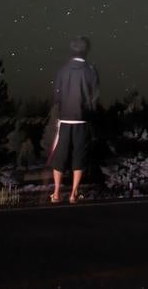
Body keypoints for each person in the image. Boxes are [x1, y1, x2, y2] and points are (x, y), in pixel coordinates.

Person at [47, 36, 98, 203]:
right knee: (79, 155)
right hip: (82, 119)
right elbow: (94, 96)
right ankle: (73, 193)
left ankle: (55, 193)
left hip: (65, 119)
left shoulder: (63, 70)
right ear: (86, 50)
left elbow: (57, 95)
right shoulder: (90, 70)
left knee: (60, 155)